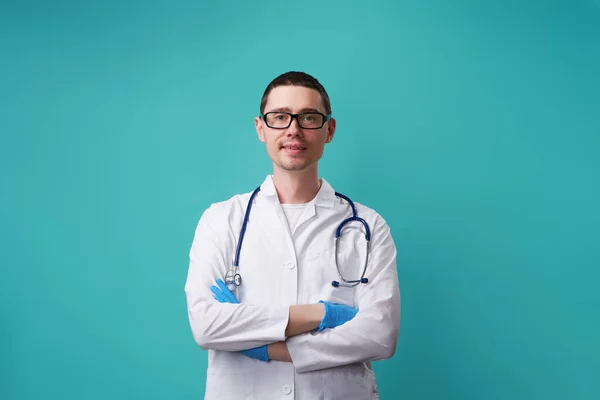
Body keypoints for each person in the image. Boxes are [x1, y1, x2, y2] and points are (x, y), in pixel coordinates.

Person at [184, 71, 401, 399]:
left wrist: (265, 345)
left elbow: (380, 335)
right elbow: (207, 326)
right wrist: (322, 314)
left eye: (308, 117)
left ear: (329, 130)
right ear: (260, 128)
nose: (293, 129)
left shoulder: (368, 226)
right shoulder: (221, 220)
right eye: (280, 117)